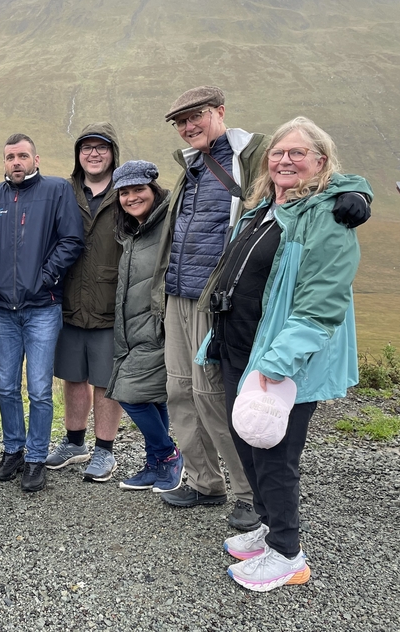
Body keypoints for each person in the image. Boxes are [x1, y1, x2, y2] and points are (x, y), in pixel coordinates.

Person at [151, 86, 371, 530]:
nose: (189, 126)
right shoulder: (191, 166)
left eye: (197, 116)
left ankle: (249, 495)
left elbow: (319, 175)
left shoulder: (256, 151)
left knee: (215, 398)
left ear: (220, 113)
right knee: (181, 392)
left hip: (217, 299)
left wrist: (360, 194)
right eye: (181, 121)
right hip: (185, 293)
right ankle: (203, 480)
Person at [201, 117, 371, 591]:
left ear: (321, 162)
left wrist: (279, 362)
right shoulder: (265, 206)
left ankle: (287, 554)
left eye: (298, 153)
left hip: (279, 360)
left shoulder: (328, 214)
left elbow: (321, 302)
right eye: (279, 152)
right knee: (248, 445)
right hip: (240, 348)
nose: (285, 160)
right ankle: (268, 529)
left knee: (275, 454)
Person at [0, 133, 84, 492]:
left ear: (36, 159)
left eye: (23, 155)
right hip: (4, 310)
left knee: (39, 389)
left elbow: (72, 239)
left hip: (42, 307)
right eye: (10, 157)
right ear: (4, 162)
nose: (16, 162)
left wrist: (44, 278)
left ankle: (37, 457)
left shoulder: (56, 191)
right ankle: (14, 449)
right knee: (6, 387)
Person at [47, 123, 126, 482]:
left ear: (113, 153)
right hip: (67, 300)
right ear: (78, 155)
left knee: (105, 379)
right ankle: (75, 443)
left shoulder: (126, 190)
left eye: (101, 147)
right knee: (73, 375)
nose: (93, 154)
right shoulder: (63, 191)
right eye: (86, 148)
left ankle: (105, 450)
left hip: (110, 301)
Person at [105, 161, 183, 493]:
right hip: (135, 327)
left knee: (130, 394)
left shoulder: (170, 221)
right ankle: (155, 462)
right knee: (153, 397)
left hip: (158, 326)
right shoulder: (135, 229)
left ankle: (167, 455)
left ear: (154, 188)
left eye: (139, 189)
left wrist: (164, 318)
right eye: (124, 192)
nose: (132, 197)